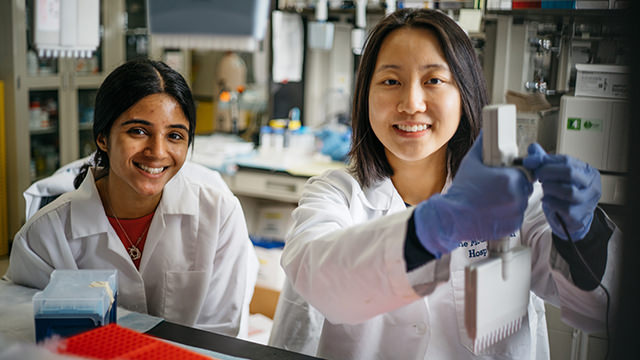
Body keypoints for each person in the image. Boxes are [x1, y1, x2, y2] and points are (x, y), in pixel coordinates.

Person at [269, 8, 620, 359]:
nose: (411, 104)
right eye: (391, 81)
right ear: (365, 97)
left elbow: (601, 310)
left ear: (463, 94)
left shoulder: (519, 201)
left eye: (433, 80)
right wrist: (444, 221)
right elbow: (321, 282)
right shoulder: (334, 195)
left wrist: (583, 236)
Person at [6, 59, 258, 338]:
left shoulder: (220, 215)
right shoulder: (46, 235)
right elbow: (25, 335)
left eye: (175, 135)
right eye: (138, 131)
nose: (157, 151)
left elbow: (219, 337)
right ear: (103, 137)